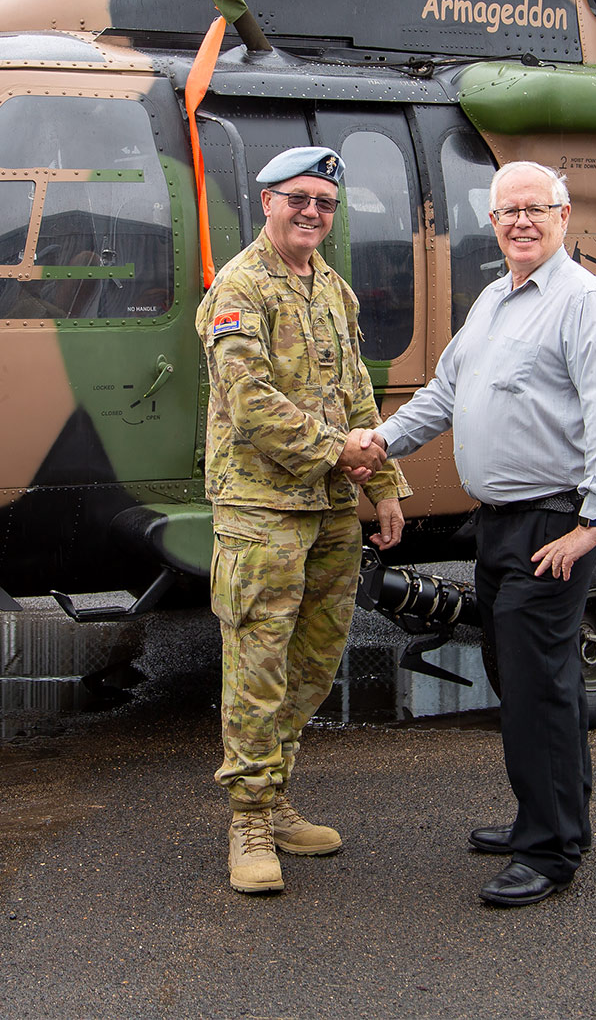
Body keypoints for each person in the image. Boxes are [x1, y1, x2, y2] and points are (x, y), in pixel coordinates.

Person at [358, 160, 596, 907]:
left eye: (534, 209)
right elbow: (446, 392)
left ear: (563, 215)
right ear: (494, 222)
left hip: (553, 523)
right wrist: (382, 441)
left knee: (535, 687)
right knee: (529, 679)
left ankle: (548, 853)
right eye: (507, 210)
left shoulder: (584, 301)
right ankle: (554, 819)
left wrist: (593, 522)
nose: (519, 221)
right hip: (500, 524)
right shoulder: (492, 300)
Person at [195, 145, 411, 895]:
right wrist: (337, 451)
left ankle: (278, 792)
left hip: (328, 509)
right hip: (261, 508)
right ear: (267, 201)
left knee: (315, 660)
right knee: (256, 662)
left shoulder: (335, 292)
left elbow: (358, 394)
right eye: (298, 198)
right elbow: (249, 402)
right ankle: (248, 818)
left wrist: (383, 482)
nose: (312, 211)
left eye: (324, 201)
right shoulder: (240, 287)